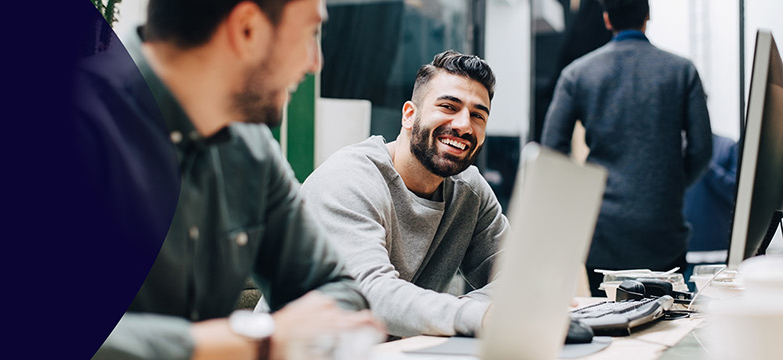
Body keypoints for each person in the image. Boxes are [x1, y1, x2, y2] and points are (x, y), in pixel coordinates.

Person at [73, 0, 384, 359]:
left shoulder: (252, 149)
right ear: (247, 29)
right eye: (310, 33)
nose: (315, 63)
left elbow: (339, 292)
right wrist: (250, 340)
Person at [259, 50, 505, 338]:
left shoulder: (470, 192)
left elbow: (519, 278)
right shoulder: (349, 179)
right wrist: (476, 315)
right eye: (449, 107)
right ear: (409, 115)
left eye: (477, 115)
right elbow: (370, 296)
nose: (464, 125)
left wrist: (477, 312)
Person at [540, 0, 712, 295]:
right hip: (663, 230)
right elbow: (702, 150)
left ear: (607, 19)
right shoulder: (682, 71)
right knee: (665, 315)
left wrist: (584, 196)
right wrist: (668, 185)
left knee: (608, 315)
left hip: (602, 232)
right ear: (648, 15)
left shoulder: (577, 73)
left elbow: (552, 151)